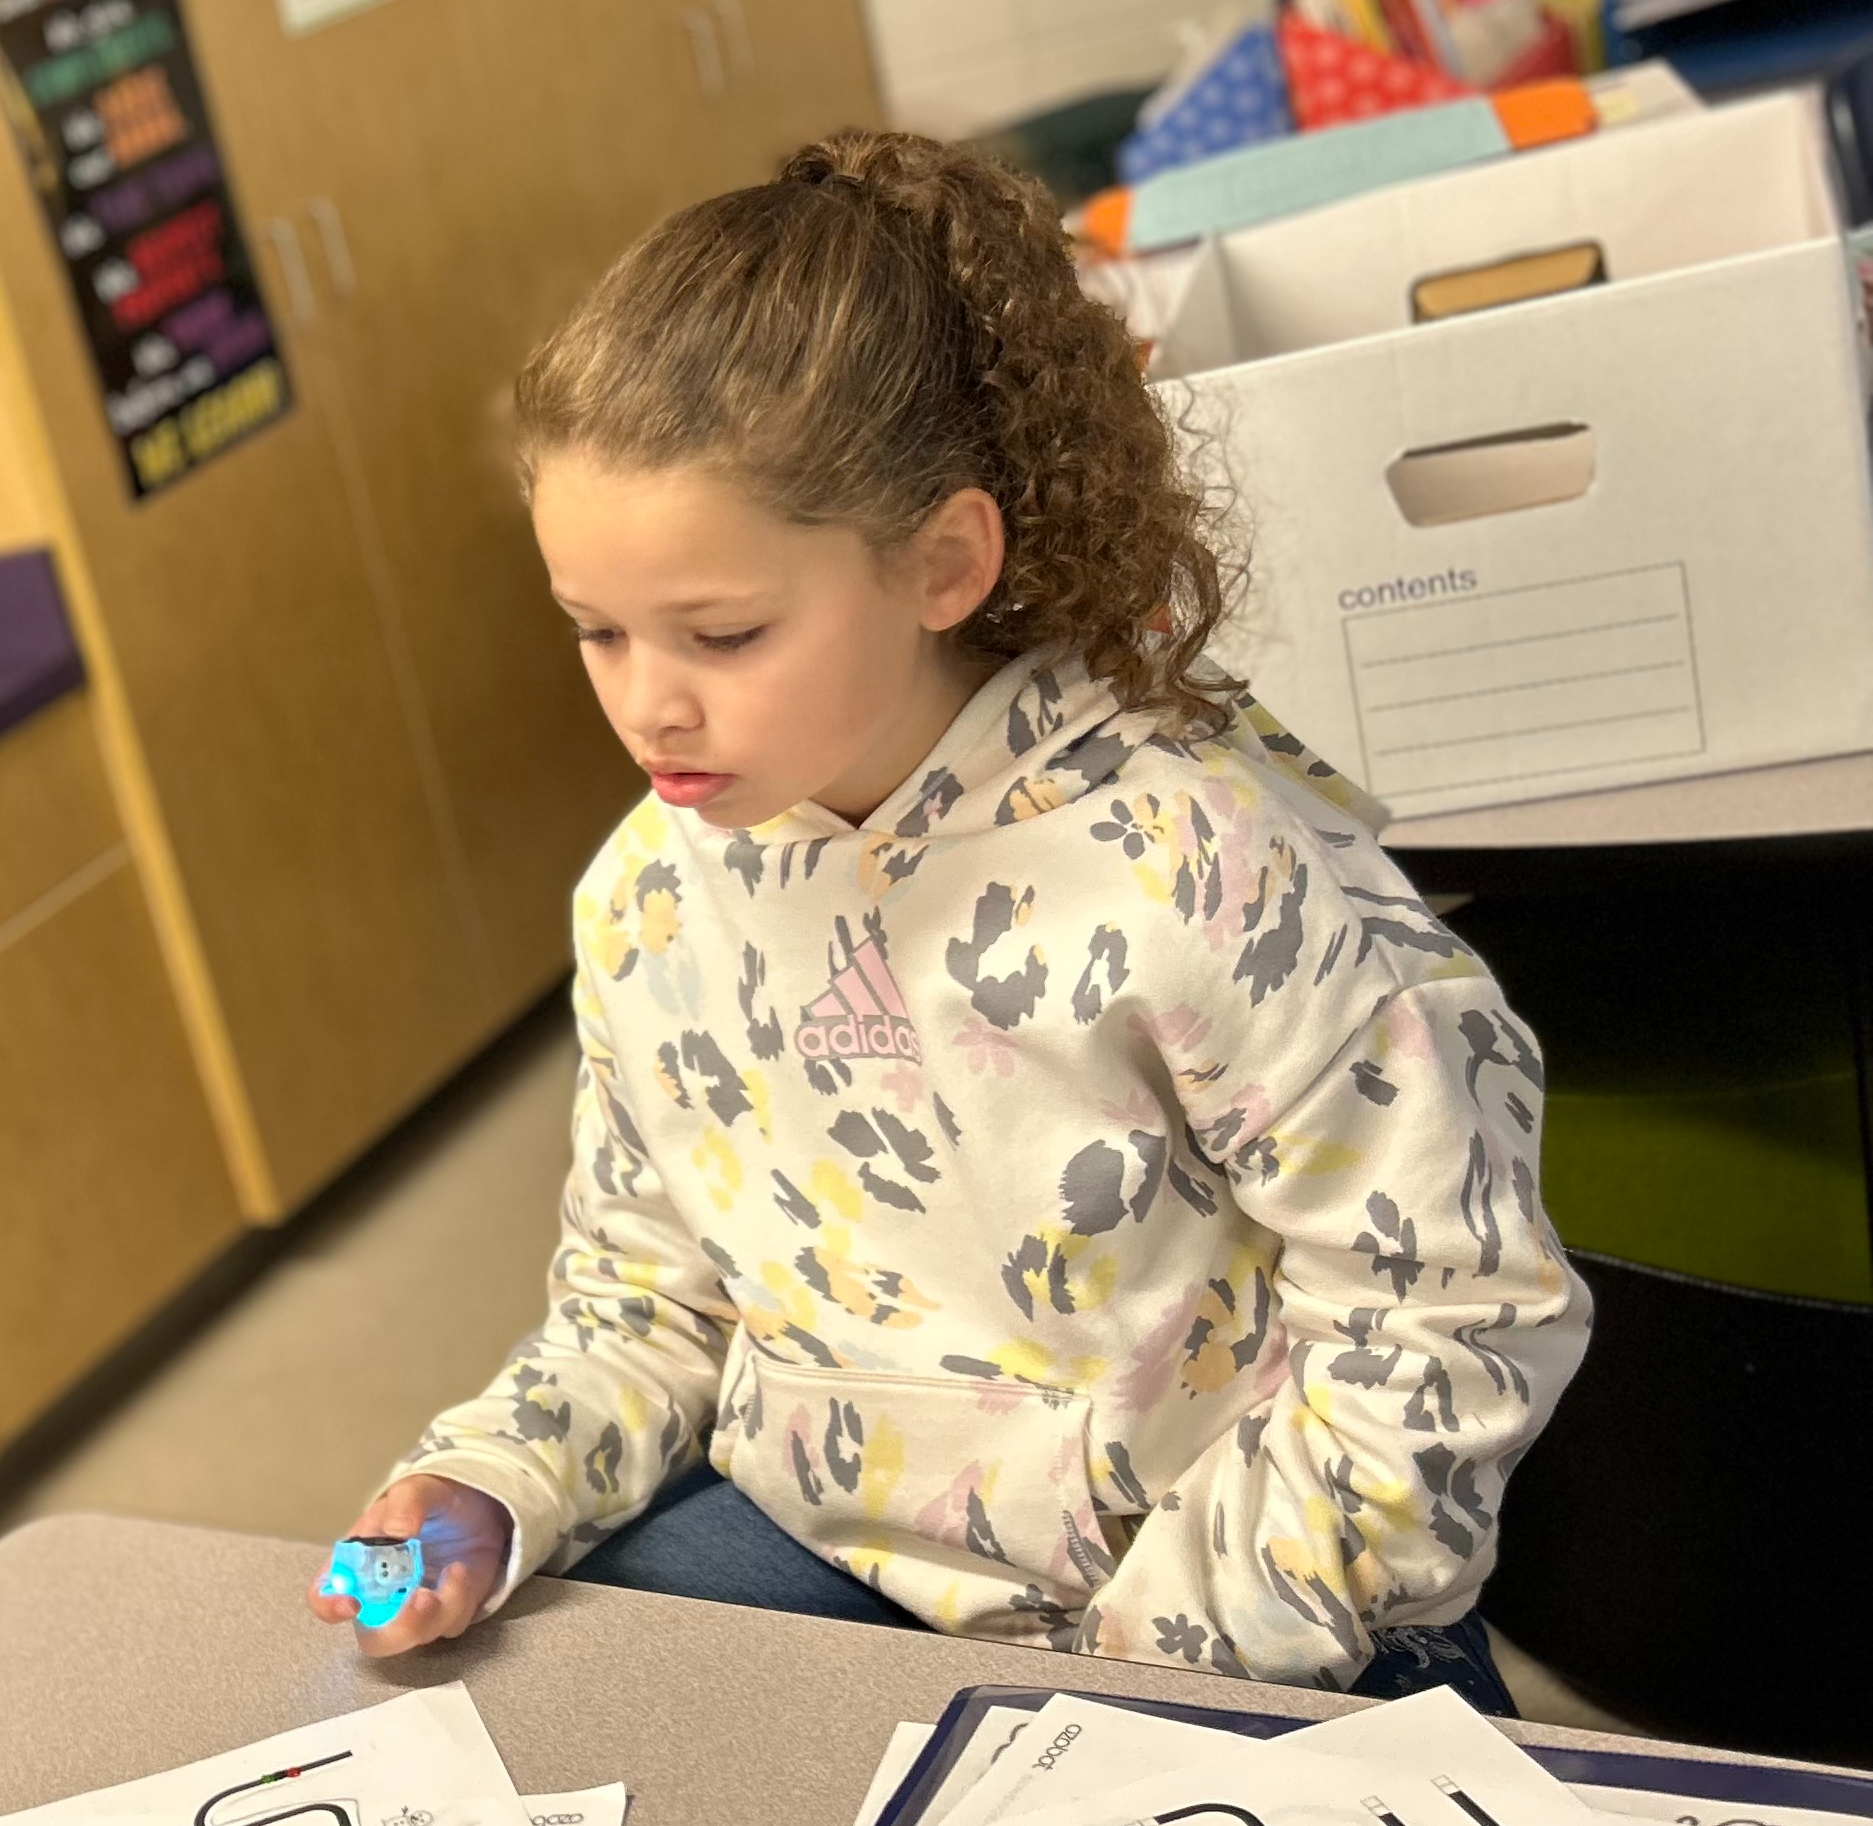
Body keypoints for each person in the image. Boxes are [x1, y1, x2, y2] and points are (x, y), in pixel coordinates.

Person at [315, 131, 1582, 1709]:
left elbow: (1452, 1304)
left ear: (943, 563)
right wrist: (493, 1481)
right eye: (594, 631)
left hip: (1239, 1590)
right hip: (843, 1551)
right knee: (542, 1743)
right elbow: (646, 1300)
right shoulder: (648, 896)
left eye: (723, 631)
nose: (650, 703)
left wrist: (1162, 1663)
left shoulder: (1195, 862)